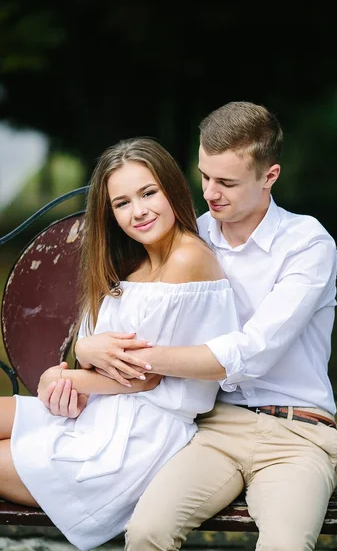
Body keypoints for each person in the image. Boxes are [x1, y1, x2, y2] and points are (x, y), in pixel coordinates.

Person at [47, 101, 337, 551]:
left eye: (227, 182)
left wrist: (135, 358)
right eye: (204, 176)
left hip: (296, 434)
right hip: (213, 428)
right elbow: (126, 311)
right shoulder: (194, 237)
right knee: (148, 532)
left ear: (270, 176)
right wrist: (86, 350)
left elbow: (254, 352)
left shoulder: (307, 244)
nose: (211, 192)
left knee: (284, 545)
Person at [0, 137, 240, 551]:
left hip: (137, 438)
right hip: (102, 412)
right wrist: (84, 355)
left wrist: (61, 377)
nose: (139, 211)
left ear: (172, 189)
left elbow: (143, 378)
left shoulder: (187, 258)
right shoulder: (136, 261)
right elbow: (106, 353)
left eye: (149, 193)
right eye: (122, 202)